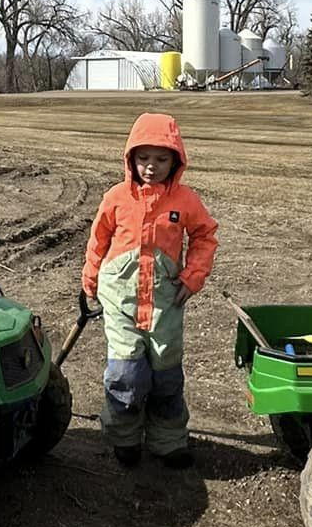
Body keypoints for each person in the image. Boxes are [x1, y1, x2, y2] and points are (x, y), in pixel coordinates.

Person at [82, 113, 218, 469]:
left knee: (166, 375)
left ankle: (168, 440)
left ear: (176, 160)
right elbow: (99, 239)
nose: (151, 167)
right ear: (131, 158)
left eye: (161, 159)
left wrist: (193, 276)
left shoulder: (185, 200)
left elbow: (204, 236)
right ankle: (123, 437)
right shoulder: (115, 197)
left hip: (166, 300)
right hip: (120, 298)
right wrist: (91, 277)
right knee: (126, 373)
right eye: (143, 158)